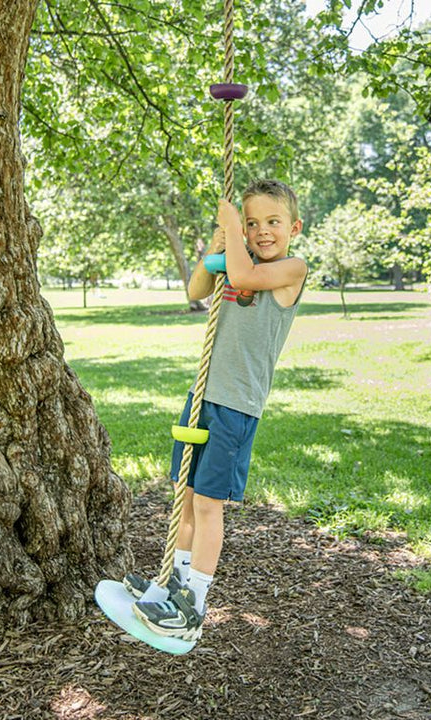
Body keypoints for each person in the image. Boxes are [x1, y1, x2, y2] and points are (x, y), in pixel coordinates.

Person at [125, 179, 308, 641]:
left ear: (294, 228)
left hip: (236, 405)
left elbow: (244, 279)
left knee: (208, 503)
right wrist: (219, 240)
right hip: (201, 396)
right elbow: (196, 288)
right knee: (185, 496)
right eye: (252, 223)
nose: (262, 231)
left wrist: (232, 227)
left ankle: (195, 602)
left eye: (273, 222)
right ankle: (172, 584)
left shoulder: (292, 269)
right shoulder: (234, 259)